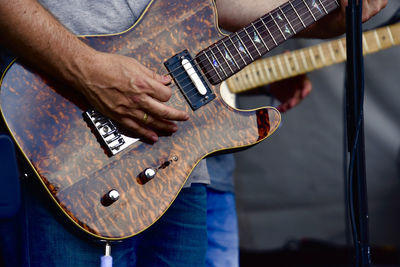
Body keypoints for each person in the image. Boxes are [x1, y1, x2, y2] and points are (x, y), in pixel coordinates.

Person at [0, 0, 387, 266]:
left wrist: (326, 9)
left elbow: (219, 5)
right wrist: (86, 71)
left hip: (179, 165)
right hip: (62, 135)